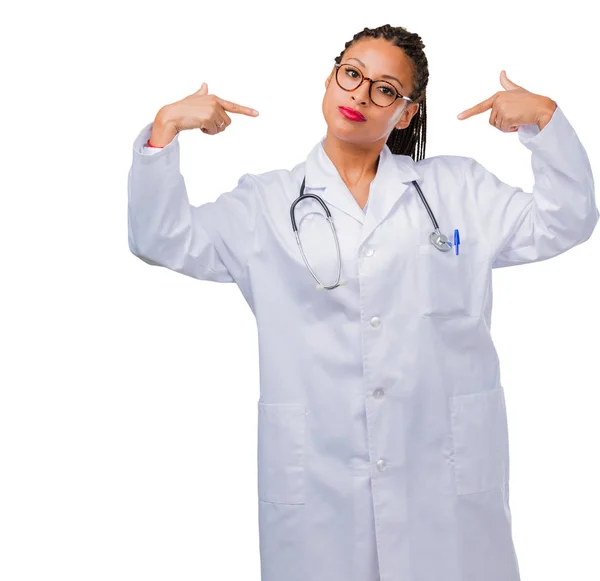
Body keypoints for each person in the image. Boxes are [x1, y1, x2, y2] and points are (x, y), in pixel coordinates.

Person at [127, 23, 598, 581]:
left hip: (441, 480)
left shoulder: (458, 191)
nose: (360, 94)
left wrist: (544, 119)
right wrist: (163, 133)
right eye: (351, 74)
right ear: (329, 79)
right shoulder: (265, 204)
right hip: (321, 484)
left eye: (385, 88)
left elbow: (565, 219)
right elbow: (160, 239)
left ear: (406, 113)